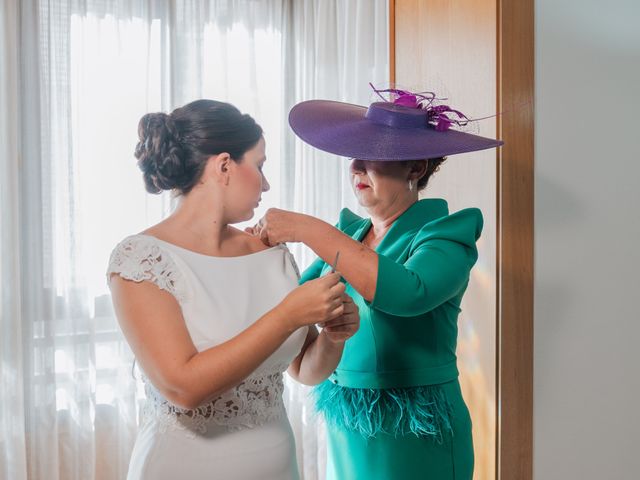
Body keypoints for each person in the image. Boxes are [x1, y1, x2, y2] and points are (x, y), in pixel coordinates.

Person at [249, 88, 503, 479]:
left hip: (419, 432)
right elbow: (295, 331)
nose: (357, 168)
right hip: (347, 425)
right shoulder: (346, 235)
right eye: (355, 155)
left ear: (416, 169)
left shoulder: (446, 233)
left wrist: (305, 227)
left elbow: (408, 292)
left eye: (376, 156)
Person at [106, 99, 360, 480]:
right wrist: (288, 314)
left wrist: (334, 338)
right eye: (259, 165)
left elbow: (304, 369)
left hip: (278, 465)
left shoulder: (269, 252)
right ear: (225, 166)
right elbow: (183, 388)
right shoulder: (140, 260)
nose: (267, 183)